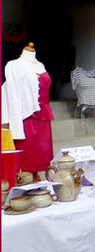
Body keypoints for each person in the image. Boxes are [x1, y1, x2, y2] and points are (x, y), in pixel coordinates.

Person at [1, 43, 54, 174]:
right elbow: (13, 96)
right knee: (27, 163)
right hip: (27, 119)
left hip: (43, 118)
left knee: (43, 160)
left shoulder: (40, 65)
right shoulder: (14, 65)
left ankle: (38, 184)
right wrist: (16, 128)